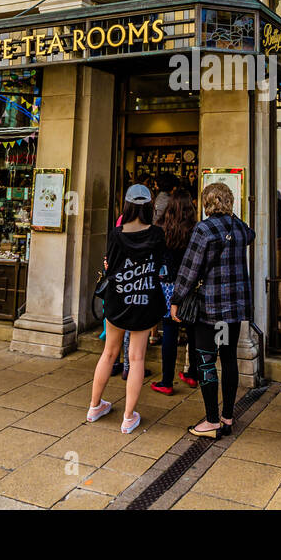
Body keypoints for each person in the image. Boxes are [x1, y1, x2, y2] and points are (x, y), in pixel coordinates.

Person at [170, 182, 255, 439]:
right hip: (232, 311)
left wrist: (176, 299)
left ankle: (211, 421)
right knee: (229, 359)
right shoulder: (240, 229)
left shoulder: (203, 229)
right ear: (229, 202)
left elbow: (188, 269)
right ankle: (227, 417)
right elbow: (250, 234)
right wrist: (230, 212)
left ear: (206, 202)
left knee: (206, 361)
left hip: (210, 309)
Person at [88, 184, 166, 434]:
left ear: (128, 205)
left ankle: (94, 406)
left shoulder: (116, 233)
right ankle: (128, 416)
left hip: (117, 300)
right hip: (144, 300)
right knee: (137, 358)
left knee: (109, 354)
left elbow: (109, 267)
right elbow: (162, 266)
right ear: (149, 207)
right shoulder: (157, 234)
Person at [151, 188, 201, 395]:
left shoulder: (162, 228)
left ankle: (167, 381)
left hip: (168, 286)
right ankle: (192, 374)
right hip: (189, 286)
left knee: (169, 333)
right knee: (192, 332)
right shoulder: (196, 229)